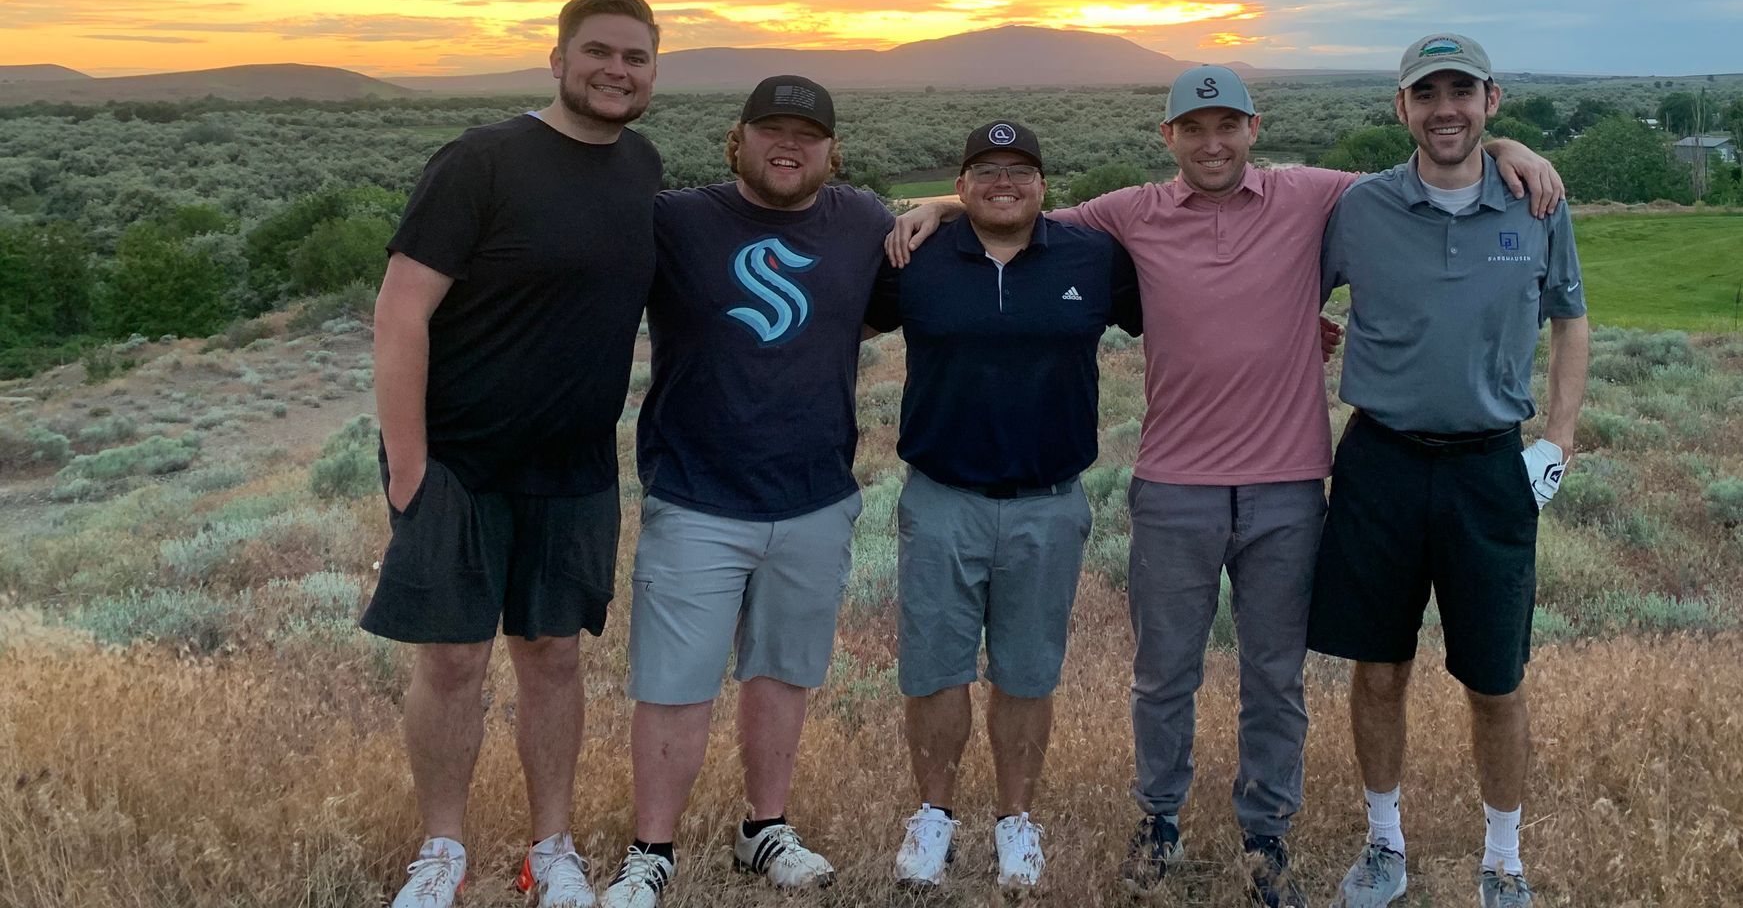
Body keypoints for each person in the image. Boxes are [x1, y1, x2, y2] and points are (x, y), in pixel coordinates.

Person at [890, 65, 1563, 908]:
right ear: (1167, 137)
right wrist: (942, 205)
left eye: (1227, 126)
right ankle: (1158, 820)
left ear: (1254, 127)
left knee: (1274, 678)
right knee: (1163, 674)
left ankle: (1267, 834)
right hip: (1174, 484)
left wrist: (1506, 148)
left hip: (1287, 486)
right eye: (1193, 129)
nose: (1212, 144)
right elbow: (1019, 213)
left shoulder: (1314, 195)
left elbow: (1429, 167)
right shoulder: (1130, 212)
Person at [364, 0, 664, 908]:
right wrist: (409, 469)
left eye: (636, 57)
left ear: (653, 71)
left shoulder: (641, 165)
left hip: (573, 467)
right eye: (599, 52)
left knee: (553, 656)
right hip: (458, 462)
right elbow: (400, 312)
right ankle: (442, 852)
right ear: (558, 59)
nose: (616, 71)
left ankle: (552, 850)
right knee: (453, 660)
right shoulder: (481, 161)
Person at [1309, 33, 1589, 908]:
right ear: (1401, 107)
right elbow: (1288, 291)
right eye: (1425, 94)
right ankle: (1383, 844)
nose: (1445, 110)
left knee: (1496, 681)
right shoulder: (1359, 208)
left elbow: (1570, 319)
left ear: (1490, 100)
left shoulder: (1535, 202)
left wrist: (1559, 441)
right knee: (1379, 669)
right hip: (1380, 462)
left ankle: (1503, 860)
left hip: (1489, 468)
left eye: (1461, 93)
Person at [601, 76, 894, 908]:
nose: (788, 145)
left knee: (782, 673)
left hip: (815, 497)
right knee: (674, 683)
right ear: (739, 138)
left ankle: (765, 831)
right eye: (772, 129)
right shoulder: (676, 220)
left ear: (832, 150)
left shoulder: (864, 220)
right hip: (696, 496)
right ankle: (651, 851)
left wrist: (942, 205)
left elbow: (889, 290)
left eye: (807, 133)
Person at [865, 121, 1142, 893]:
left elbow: (1185, 315)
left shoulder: (1093, 256)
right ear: (961, 185)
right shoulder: (913, 258)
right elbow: (837, 327)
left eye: (1020, 170)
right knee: (933, 669)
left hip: (1049, 503)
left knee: (1027, 671)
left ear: (1044, 186)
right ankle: (934, 816)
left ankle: (1017, 820)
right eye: (985, 170)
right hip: (940, 499)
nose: (1004, 182)